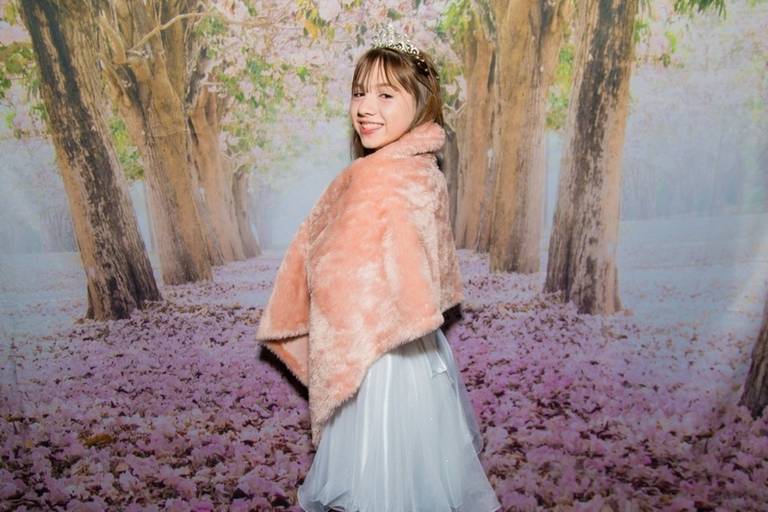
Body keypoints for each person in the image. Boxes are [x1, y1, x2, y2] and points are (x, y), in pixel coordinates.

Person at [255, 25, 502, 512]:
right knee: (412, 475)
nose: (366, 108)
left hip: (381, 356)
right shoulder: (417, 170)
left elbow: (364, 272)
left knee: (386, 477)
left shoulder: (387, 177)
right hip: (404, 350)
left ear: (422, 103)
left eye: (386, 95)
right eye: (359, 93)